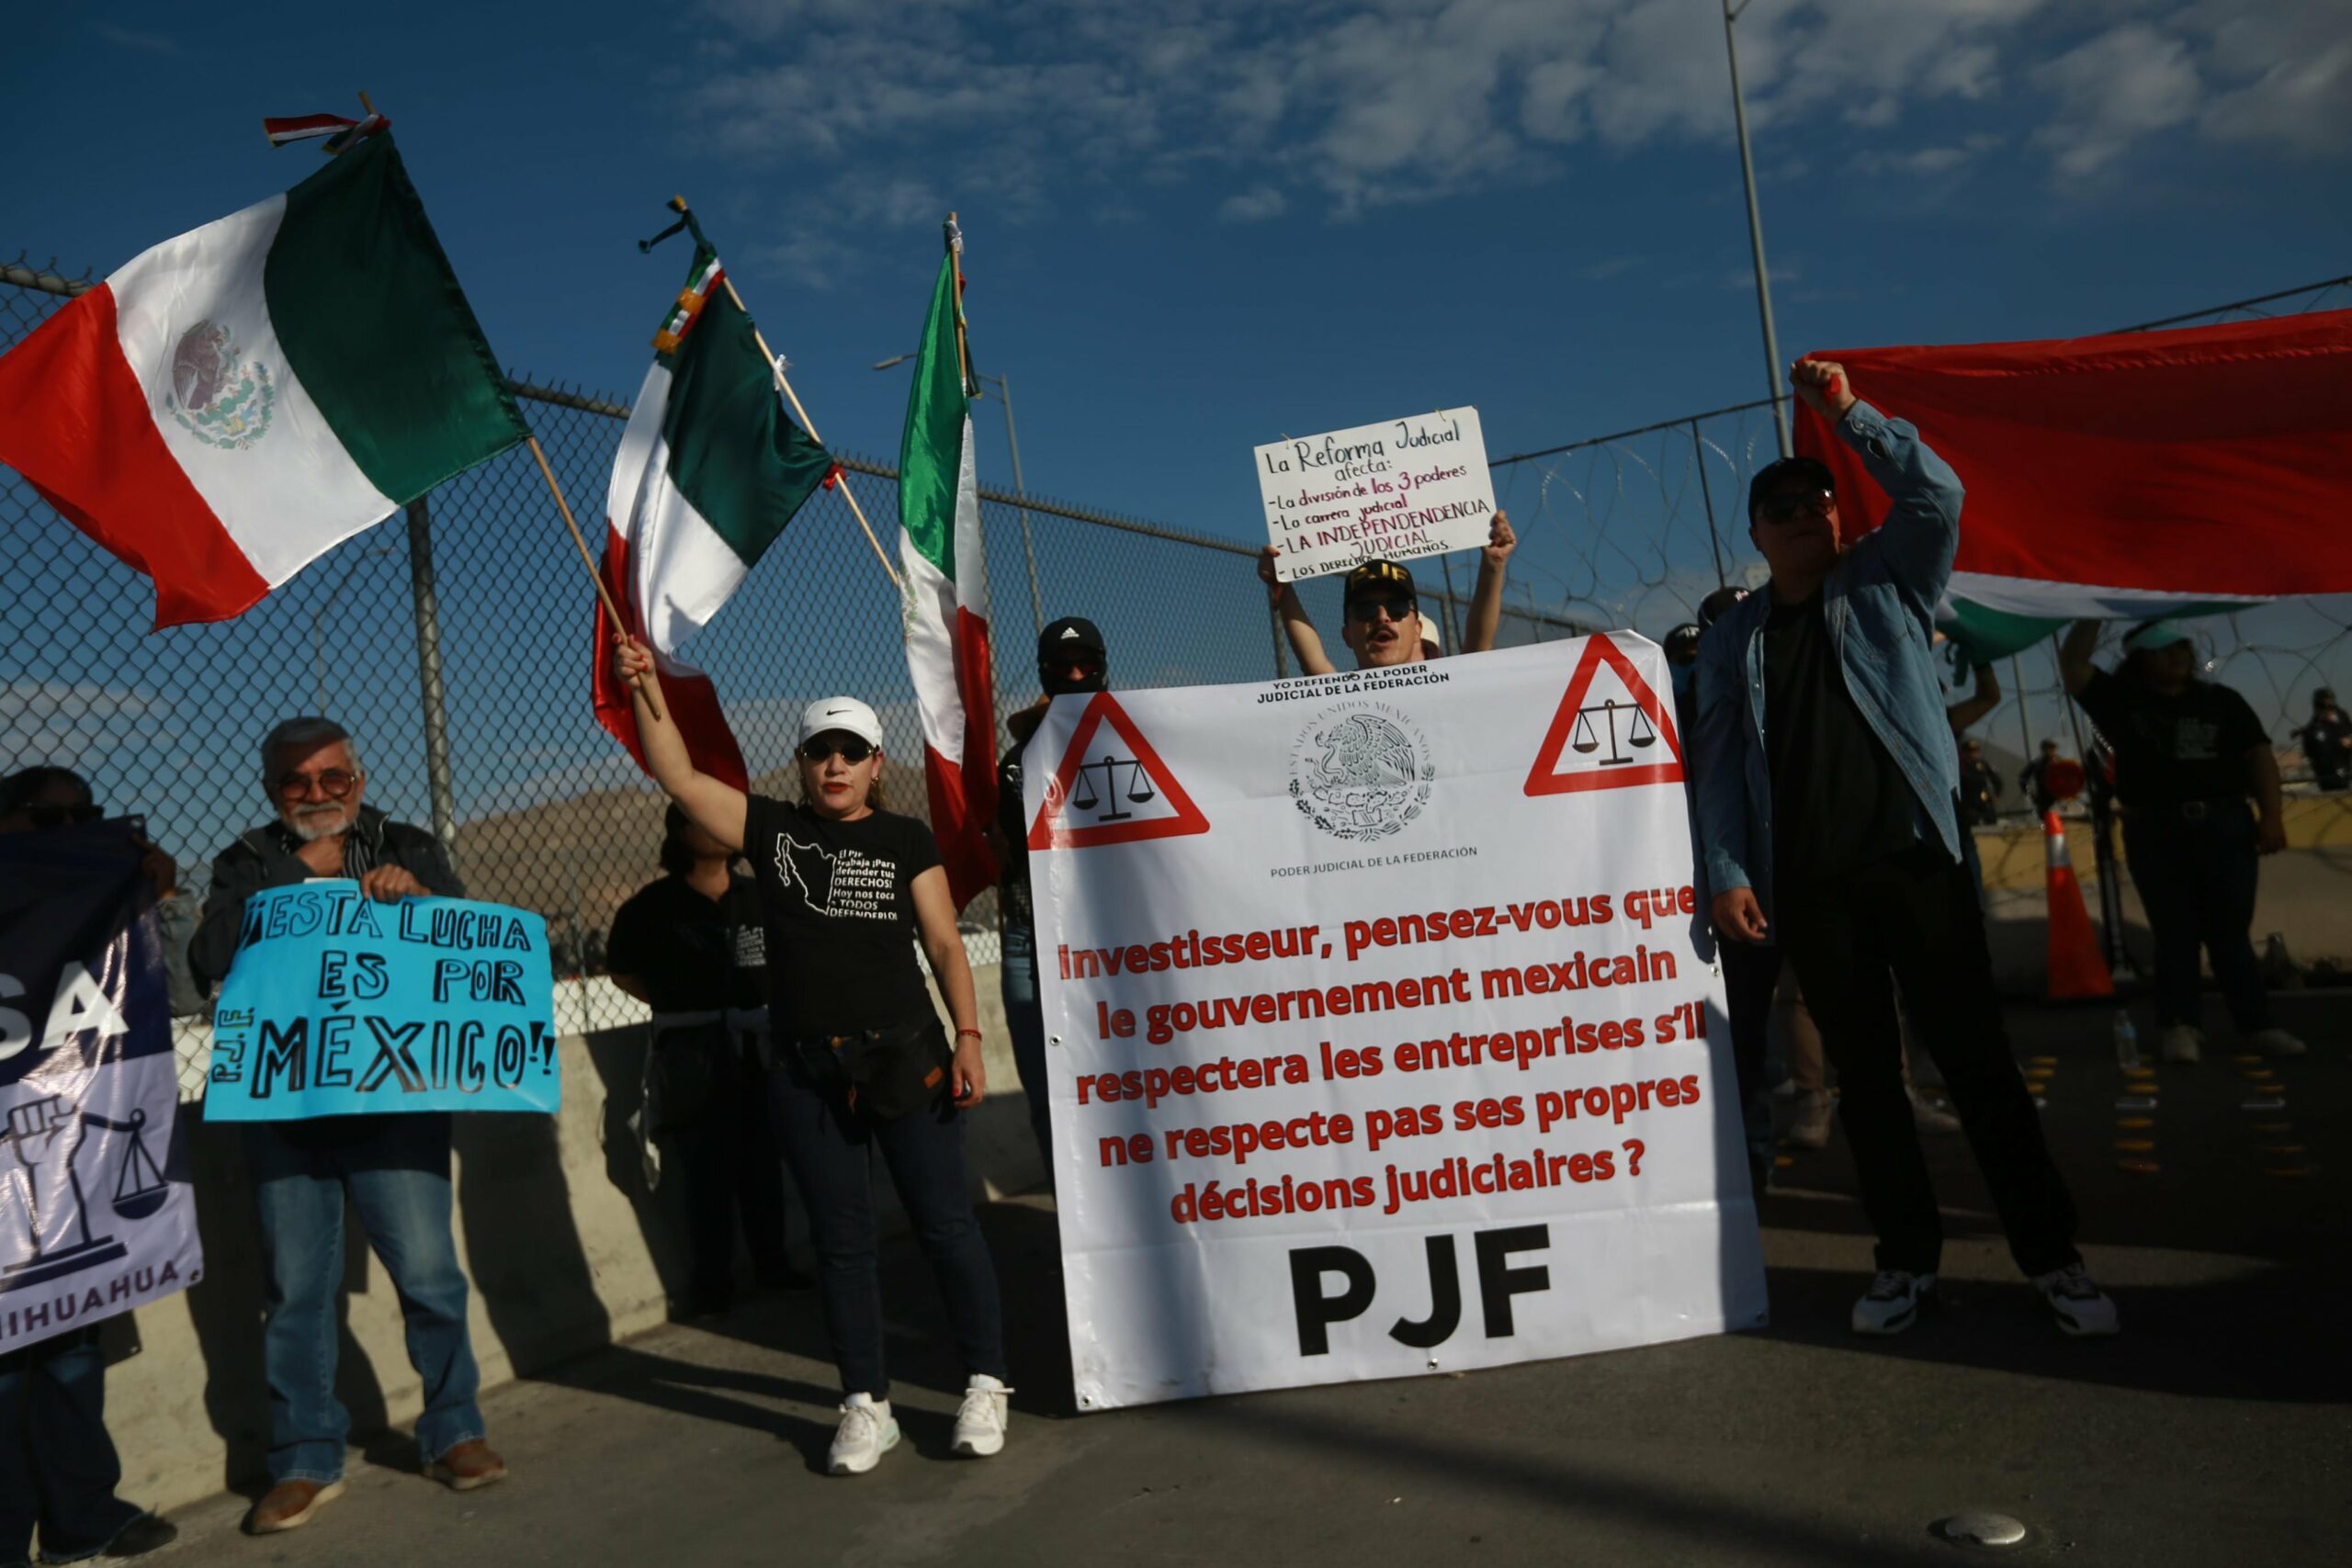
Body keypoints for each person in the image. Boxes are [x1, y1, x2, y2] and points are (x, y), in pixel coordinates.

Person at [1693, 359, 2114, 1338]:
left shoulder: (1885, 578)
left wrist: (1847, 414)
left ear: (1839, 516)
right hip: (1811, 886)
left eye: (1817, 500)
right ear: (1756, 535)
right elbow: (1717, 769)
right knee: (1866, 1086)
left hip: (1916, 865)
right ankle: (1903, 1262)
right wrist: (1727, 872)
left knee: (1977, 1066)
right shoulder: (1734, 642)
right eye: (1782, 507)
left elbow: (1938, 493)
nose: (1804, 514)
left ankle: (2052, 1258)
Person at [612, 639, 1012, 1474]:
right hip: (804, 1071)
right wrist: (645, 687)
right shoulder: (770, 827)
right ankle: (866, 1403)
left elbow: (943, 942)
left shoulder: (906, 839)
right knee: (841, 1240)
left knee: (945, 1226)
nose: (835, 764)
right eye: (819, 750)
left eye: (851, 752)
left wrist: (968, 1036)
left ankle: (985, 1381)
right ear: (800, 763)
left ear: (876, 766)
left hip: (908, 1060)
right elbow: (680, 778)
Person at [187, 718, 505, 1534]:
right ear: (273, 790)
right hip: (284, 1104)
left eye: (333, 778)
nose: (318, 795)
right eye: (298, 782)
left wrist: (424, 902)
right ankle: (304, 1459)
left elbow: (467, 947)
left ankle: (454, 1430)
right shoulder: (247, 862)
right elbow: (209, 953)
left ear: (358, 780)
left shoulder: (408, 842)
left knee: (429, 1273)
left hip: (392, 1095)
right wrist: (296, 877)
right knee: (296, 1289)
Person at [0, 768, 180, 1568]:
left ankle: (82, 1514)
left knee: (70, 1336)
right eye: (49, 818)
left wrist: (142, 897)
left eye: (87, 817)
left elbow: (148, 995)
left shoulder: (92, 898)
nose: (72, 830)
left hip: (68, 1145)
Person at [2060, 619, 2306, 1064]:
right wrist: (2091, 607)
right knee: (2175, 932)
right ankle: (2180, 1026)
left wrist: (2272, 817)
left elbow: (2259, 756)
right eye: (2163, 650)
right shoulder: (2123, 702)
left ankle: (2258, 1025)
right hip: (2155, 830)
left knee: (2229, 932)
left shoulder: (2220, 702)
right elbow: (2074, 665)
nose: (2177, 656)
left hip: (2224, 825)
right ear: (2140, 661)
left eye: (2182, 648)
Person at [607, 805, 809, 1317]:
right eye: (701, 817)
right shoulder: (651, 907)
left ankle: (773, 1264)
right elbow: (624, 972)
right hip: (693, 1056)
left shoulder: (759, 896)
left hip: (758, 1048)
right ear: (680, 834)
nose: (716, 825)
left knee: (763, 1160)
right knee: (704, 1169)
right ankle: (712, 1281)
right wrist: (681, 1005)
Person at [994, 616, 1111, 1180]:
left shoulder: (1136, 744)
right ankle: (1074, 1228)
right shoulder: (1017, 763)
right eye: (1062, 667)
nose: (1075, 674)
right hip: (1032, 941)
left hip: (1117, 940)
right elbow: (1014, 847)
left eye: (1085, 664)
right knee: (1049, 1097)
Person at [1256, 513, 1516, 674]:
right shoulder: (1341, 699)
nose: (1382, 617)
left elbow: (1477, 647)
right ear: (1347, 635)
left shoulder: (1450, 688)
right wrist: (1283, 588)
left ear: (1417, 630)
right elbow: (1314, 663)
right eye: (1365, 609)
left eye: (1397, 608)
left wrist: (1494, 565)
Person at [2293, 688, 2351, 793]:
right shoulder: (2316, 729)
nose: (2328, 710)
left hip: (2345, 768)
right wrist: (2341, 743)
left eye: (2331, 706)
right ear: (2317, 708)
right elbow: (2322, 747)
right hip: (2330, 775)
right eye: (2323, 707)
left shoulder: (2341, 717)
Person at [1958, 739, 2003, 829]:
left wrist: (1996, 794)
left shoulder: (1982, 764)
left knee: (1991, 821)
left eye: (1975, 751)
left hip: (1984, 800)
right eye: (1970, 752)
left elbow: (1996, 780)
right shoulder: (1961, 766)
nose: (1973, 754)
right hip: (1969, 803)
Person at [2019, 739, 2065, 815]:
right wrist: (2029, 794)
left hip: (2059, 797)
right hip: (2043, 798)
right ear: (2044, 750)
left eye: (2053, 749)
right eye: (2050, 749)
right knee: (2046, 819)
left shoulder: (2060, 762)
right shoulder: (2037, 764)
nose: (2053, 751)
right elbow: (2022, 778)